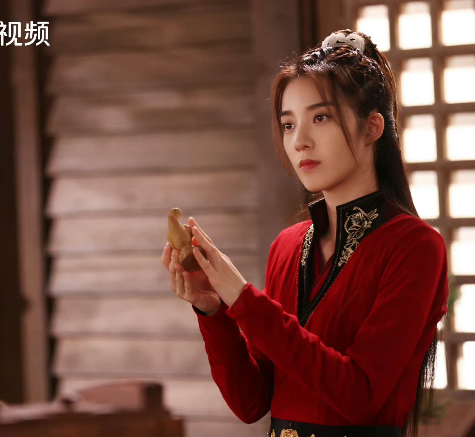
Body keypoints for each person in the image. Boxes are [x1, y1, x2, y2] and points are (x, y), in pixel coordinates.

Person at [160, 29, 449, 437]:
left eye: (320, 117)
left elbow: (360, 396)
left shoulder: (414, 246)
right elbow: (251, 403)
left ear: (372, 127)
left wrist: (244, 299)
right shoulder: (288, 246)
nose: (299, 141)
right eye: (288, 124)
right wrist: (213, 310)